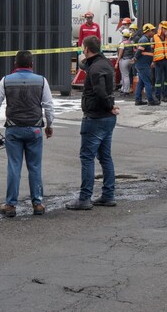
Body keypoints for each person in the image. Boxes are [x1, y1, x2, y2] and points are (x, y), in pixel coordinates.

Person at [0, 50, 54, 218]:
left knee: (14, 167)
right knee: (35, 167)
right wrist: (49, 125)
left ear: (15, 65)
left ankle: (10, 205)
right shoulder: (41, 81)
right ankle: (38, 203)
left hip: (13, 129)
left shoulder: (6, 81)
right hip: (35, 129)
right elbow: (48, 106)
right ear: (31, 65)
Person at [66, 36, 120, 210]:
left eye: (83, 49)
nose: (82, 51)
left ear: (87, 50)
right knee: (105, 157)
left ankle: (84, 198)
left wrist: (110, 105)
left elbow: (99, 92)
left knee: (87, 157)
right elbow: (87, 65)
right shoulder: (104, 64)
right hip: (107, 119)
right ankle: (108, 195)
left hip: (95, 117)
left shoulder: (96, 69)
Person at [133, 23, 160, 106]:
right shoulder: (144, 40)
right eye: (152, 31)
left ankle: (138, 100)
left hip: (143, 64)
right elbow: (139, 52)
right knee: (148, 82)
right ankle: (151, 100)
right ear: (147, 31)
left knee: (141, 83)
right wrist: (135, 58)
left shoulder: (145, 39)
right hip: (143, 65)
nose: (153, 32)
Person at [153, 20, 167, 102]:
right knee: (158, 80)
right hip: (158, 61)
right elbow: (152, 49)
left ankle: (166, 96)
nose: (165, 30)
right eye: (164, 28)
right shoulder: (154, 37)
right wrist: (153, 61)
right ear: (160, 28)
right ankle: (157, 96)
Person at [116, 28, 134, 96]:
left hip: (124, 60)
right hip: (130, 60)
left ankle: (125, 90)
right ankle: (124, 89)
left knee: (124, 76)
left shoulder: (122, 44)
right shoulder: (131, 42)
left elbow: (120, 54)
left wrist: (117, 62)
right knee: (127, 75)